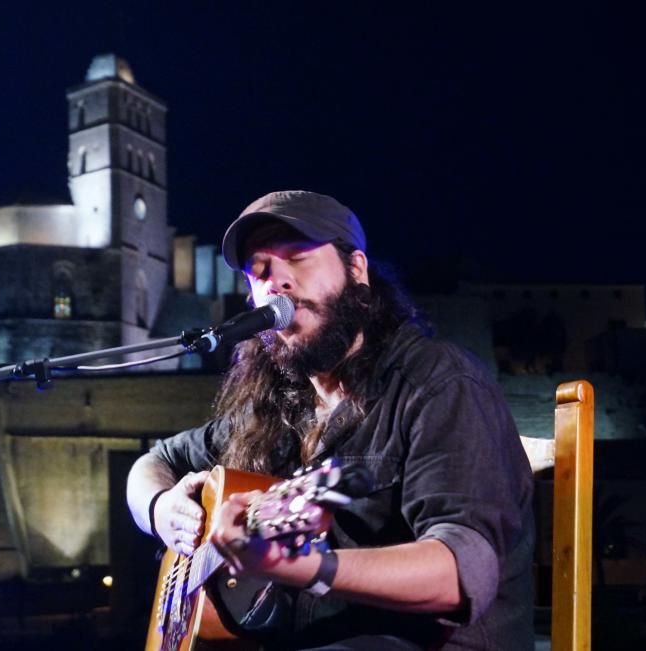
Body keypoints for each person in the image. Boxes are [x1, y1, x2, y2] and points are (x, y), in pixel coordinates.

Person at [127, 190, 535, 650]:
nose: (276, 280)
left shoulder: (438, 384)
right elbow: (154, 462)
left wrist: (305, 568)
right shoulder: (277, 406)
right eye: (259, 271)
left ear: (356, 270)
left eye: (298, 257)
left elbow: (461, 574)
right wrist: (160, 509)